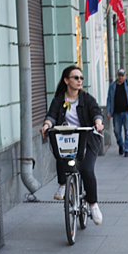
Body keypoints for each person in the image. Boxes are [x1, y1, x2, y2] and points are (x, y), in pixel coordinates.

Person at [40, 65, 104, 224]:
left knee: (87, 169)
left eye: (81, 78)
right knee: (61, 154)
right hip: (67, 139)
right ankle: (63, 184)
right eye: (76, 77)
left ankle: (93, 204)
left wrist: (98, 123)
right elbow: (51, 116)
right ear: (66, 80)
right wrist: (46, 125)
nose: (79, 80)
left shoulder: (86, 98)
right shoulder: (58, 100)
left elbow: (96, 112)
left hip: (87, 139)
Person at [106, 68, 128, 158]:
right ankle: (121, 144)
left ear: (124, 76)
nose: (120, 77)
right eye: (119, 75)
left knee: (127, 131)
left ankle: (127, 149)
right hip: (116, 112)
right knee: (116, 131)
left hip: (127, 112)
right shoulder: (112, 85)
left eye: (122, 75)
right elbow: (109, 98)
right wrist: (108, 111)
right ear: (117, 76)